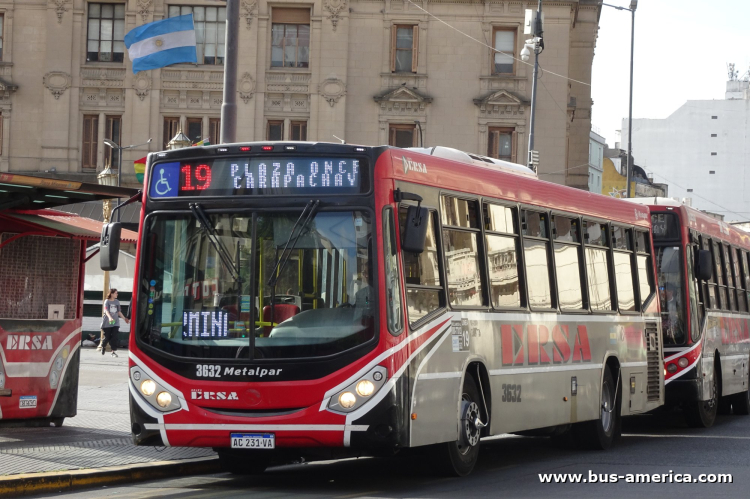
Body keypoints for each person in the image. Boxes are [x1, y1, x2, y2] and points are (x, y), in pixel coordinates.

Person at [101, 288, 129, 358]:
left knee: (114, 337)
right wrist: (110, 318)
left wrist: (124, 318)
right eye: (116, 293)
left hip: (115, 322)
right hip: (108, 322)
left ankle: (113, 351)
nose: (117, 294)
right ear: (112, 294)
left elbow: (119, 312)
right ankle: (103, 346)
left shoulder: (117, 302)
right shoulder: (107, 301)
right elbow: (106, 311)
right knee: (107, 337)